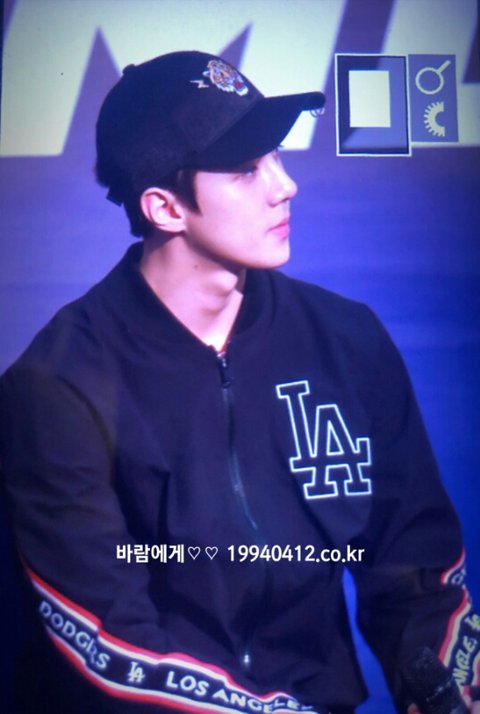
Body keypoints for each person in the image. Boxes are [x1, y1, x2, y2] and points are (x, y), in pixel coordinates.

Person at [0, 50, 478, 714]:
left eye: (276, 157)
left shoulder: (347, 339)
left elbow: (416, 574)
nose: (286, 186)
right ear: (165, 207)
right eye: (247, 169)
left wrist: (450, 689)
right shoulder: (57, 386)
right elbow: (108, 646)